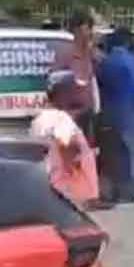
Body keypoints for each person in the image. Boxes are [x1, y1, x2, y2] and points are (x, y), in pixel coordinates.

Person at [32, 70, 100, 208]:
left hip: (55, 190)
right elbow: (67, 150)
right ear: (63, 93)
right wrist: (83, 156)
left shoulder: (42, 118)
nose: (78, 94)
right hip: (72, 194)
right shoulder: (61, 119)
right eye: (75, 90)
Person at [97, 28, 134, 203]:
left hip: (111, 112)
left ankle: (119, 191)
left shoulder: (106, 62)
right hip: (132, 111)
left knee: (117, 154)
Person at [51, 9, 99, 142]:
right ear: (77, 30)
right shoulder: (66, 54)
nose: (90, 33)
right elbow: (54, 82)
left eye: (91, 29)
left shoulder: (90, 54)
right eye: (87, 29)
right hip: (70, 117)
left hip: (87, 116)